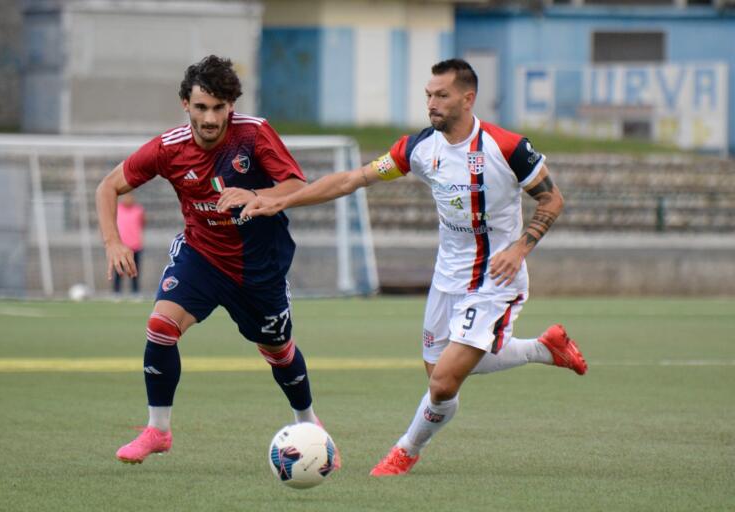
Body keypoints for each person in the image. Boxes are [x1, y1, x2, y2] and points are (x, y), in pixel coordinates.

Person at [219, 58, 587, 476]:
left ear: (468, 99)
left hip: (494, 279)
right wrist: (281, 200)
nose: (431, 103)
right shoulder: (417, 149)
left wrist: (520, 249)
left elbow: (552, 199)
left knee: (443, 383)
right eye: (428, 95)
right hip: (446, 279)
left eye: (442, 95)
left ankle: (405, 451)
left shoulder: (506, 147)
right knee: (450, 371)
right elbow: (352, 180)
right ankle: (543, 348)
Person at [95, 55, 338, 467]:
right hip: (201, 256)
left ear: (231, 106)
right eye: (202, 106)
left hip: (259, 267)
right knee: (160, 326)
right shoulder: (167, 148)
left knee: (278, 351)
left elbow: (297, 185)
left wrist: (257, 196)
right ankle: (158, 429)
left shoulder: (254, 135)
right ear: (185, 105)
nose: (210, 118)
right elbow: (108, 186)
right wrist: (112, 242)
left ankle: (308, 422)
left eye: (219, 107)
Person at [113, 192, 145, 295]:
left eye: (130, 197)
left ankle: (135, 292)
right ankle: (116, 292)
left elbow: (143, 223)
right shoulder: (116, 209)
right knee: (118, 270)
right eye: (126, 197)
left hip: (135, 246)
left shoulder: (138, 210)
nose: (128, 199)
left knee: (135, 270)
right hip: (121, 247)